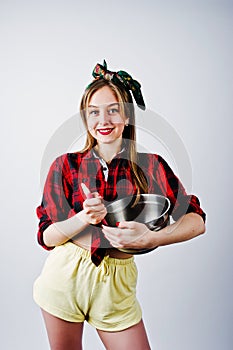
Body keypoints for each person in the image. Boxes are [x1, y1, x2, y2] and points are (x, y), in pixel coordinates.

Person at [33, 60, 206, 350]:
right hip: (65, 279)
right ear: (85, 118)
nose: (104, 120)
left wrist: (153, 237)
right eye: (94, 112)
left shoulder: (151, 167)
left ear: (126, 117)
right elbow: (47, 237)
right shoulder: (65, 165)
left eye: (113, 110)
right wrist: (83, 218)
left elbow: (196, 221)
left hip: (117, 287)